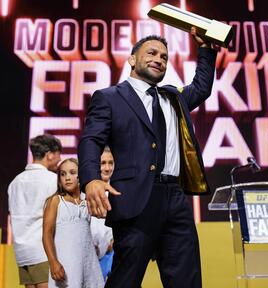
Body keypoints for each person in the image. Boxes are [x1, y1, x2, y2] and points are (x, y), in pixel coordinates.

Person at [78, 27, 217, 288]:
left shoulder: (173, 97)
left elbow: (201, 87)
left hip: (175, 198)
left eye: (164, 57)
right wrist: (91, 180)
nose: (159, 59)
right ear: (132, 59)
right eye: (151, 53)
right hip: (135, 199)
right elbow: (91, 140)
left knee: (187, 279)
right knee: (125, 279)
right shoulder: (109, 97)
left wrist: (206, 49)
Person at [8, 134, 62, 288]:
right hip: (44, 252)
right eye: (59, 155)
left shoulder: (15, 182)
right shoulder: (52, 180)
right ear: (50, 155)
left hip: (22, 253)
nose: (59, 160)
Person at [42, 158, 104, 288]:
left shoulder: (86, 201)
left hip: (88, 263)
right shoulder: (56, 201)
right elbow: (47, 234)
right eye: (63, 174)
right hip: (66, 263)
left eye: (72, 172)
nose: (67, 178)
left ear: (80, 175)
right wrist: (53, 262)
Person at [90, 146, 114, 281]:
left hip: (113, 254)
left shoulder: (121, 191)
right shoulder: (84, 191)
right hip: (90, 254)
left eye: (110, 163)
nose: (107, 168)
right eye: (103, 163)